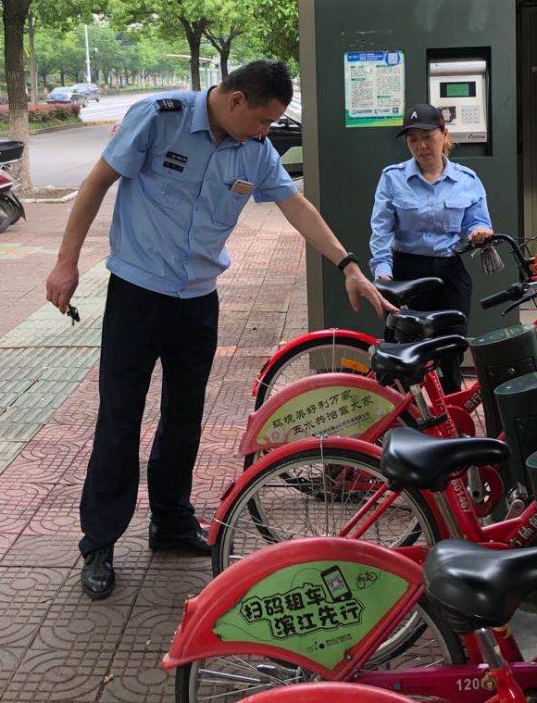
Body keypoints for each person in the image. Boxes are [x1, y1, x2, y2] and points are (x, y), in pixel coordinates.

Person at [44, 60, 393, 600]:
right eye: (263, 119)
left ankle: (171, 522)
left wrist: (347, 264)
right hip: (137, 293)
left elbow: (295, 206)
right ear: (235, 101)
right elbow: (95, 184)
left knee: (184, 418)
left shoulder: (254, 149)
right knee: (120, 416)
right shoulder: (159, 118)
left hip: (197, 300)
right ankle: (100, 540)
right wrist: (66, 263)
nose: (266, 132)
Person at [369, 102, 493, 392]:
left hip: (449, 274)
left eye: (427, 137)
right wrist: (383, 271)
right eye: (413, 139)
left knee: (451, 352)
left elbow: (478, 221)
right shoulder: (392, 178)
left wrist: (478, 231)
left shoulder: (467, 180)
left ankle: (450, 413)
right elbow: (381, 229)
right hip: (406, 273)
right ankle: (403, 411)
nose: (421, 146)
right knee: (402, 355)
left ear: (444, 135)